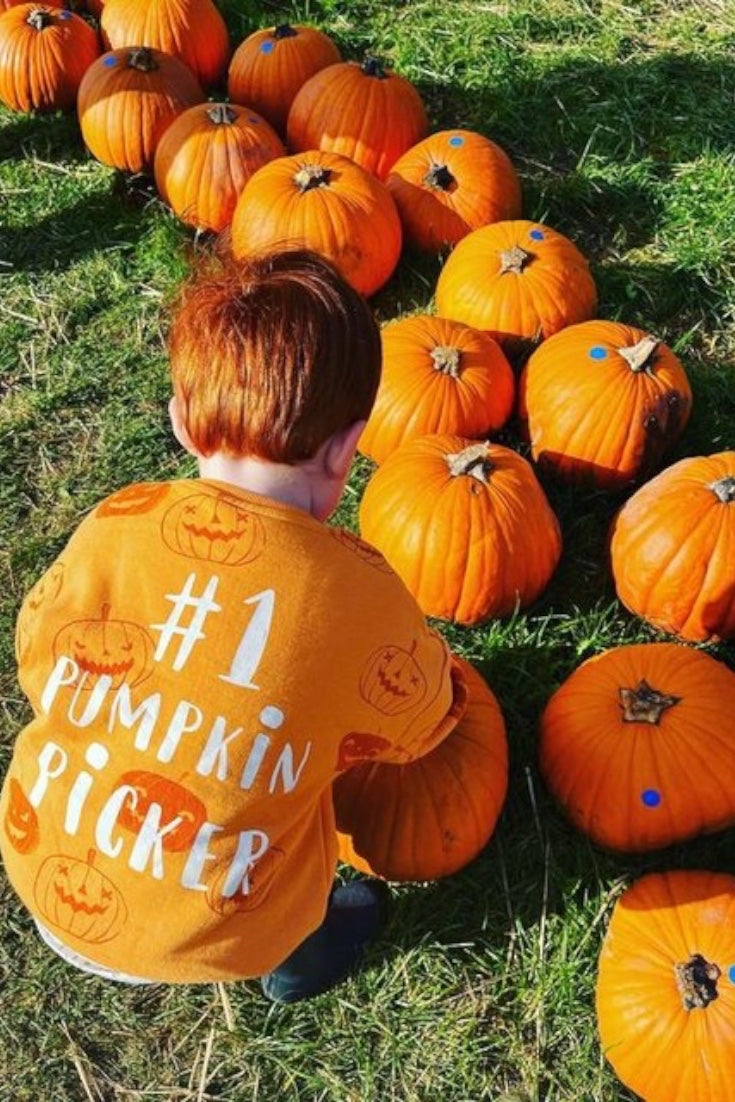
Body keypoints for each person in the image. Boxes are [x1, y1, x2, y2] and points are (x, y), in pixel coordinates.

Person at [0, 248, 467, 1002]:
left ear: (182, 419)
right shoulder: (359, 594)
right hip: (224, 935)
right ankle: (296, 960)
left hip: (40, 862)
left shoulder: (118, 521)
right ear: (349, 447)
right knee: (301, 808)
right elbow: (422, 722)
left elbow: (38, 651)